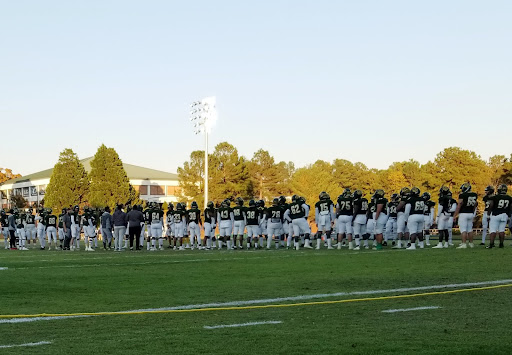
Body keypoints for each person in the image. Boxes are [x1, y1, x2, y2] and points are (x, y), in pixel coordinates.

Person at [487, 184, 512, 248]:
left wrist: (488, 215)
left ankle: (491, 244)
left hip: (496, 215)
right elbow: (510, 207)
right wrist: (509, 215)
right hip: (504, 215)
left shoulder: (495, 197)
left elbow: (491, 206)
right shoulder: (509, 198)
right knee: (502, 230)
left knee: (493, 230)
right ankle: (501, 244)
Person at [454, 182, 478, 249]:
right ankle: (471, 243)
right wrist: (473, 213)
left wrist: (455, 215)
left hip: (463, 214)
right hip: (470, 213)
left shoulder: (462, 195)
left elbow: (459, 205)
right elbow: (475, 204)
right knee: (470, 229)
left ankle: (464, 244)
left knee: (463, 229)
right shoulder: (474, 195)